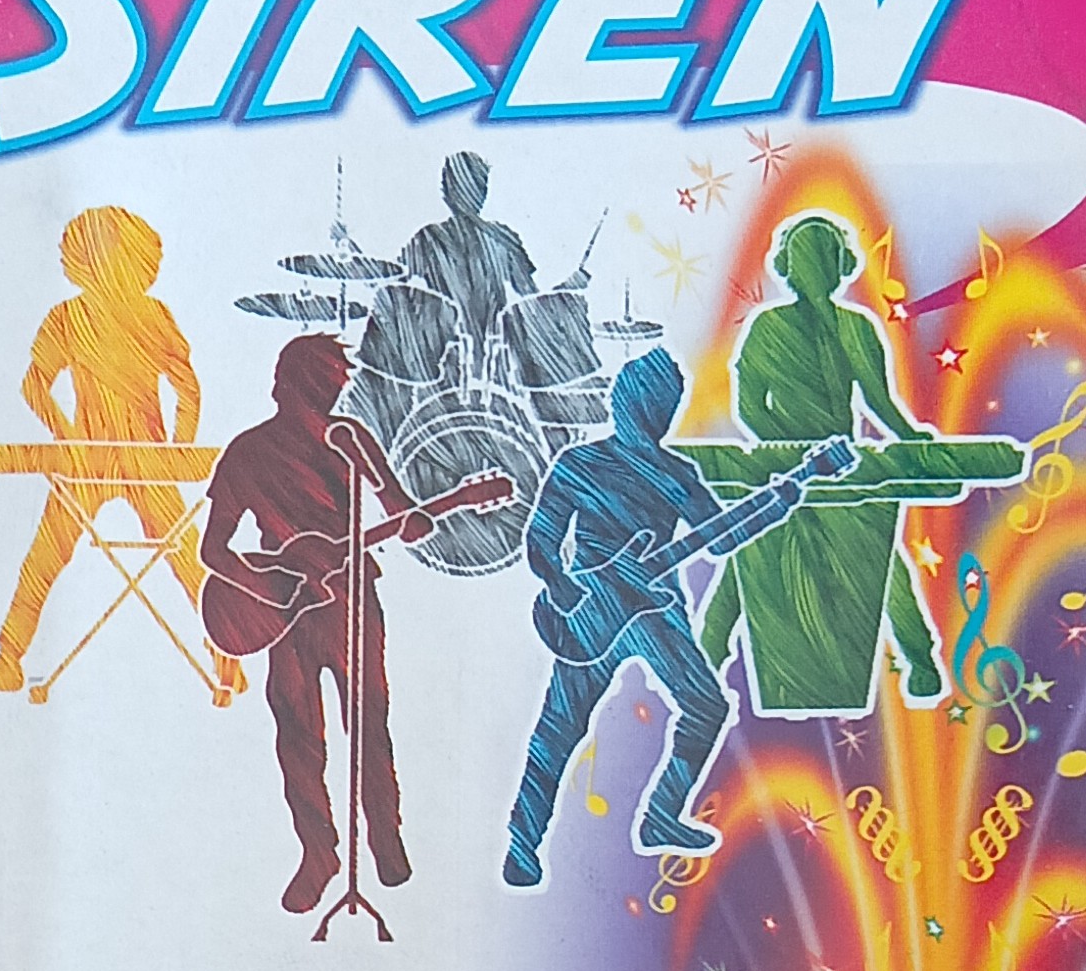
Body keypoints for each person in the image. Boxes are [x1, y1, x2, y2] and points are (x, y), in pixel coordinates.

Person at [200, 333, 430, 915]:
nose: (328, 400)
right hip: (289, 613)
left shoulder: (351, 440)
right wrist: (272, 588)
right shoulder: (248, 452)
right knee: (299, 734)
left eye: (334, 389)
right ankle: (318, 855)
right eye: (321, 387)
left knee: (369, 722)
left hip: (353, 600)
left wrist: (412, 517)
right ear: (287, 385)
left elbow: (398, 509)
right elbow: (213, 550)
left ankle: (385, 841)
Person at [504, 348, 733, 886]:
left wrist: (777, 501)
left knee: (706, 706)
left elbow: (718, 538)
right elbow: (540, 541)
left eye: (664, 407)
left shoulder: (678, 473)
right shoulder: (580, 464)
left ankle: (660, 817)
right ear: (622, 403)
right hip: (593, 609)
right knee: (559, 727)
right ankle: (522, 844)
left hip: (656, 609)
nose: (655, 416)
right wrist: (565, 591)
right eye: (648, 404)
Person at [701, 213, 945, 712]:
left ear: (841, 267)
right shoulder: (768, 327)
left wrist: (911, 440)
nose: (819, 272)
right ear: (789, 268)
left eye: (826, 261)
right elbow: (751, 407)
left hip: (844, 468)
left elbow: (878, 400)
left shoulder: (857, 327)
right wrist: (793, 455)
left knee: (881, 560)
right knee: (747, 559)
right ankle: (706, 660)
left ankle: (920, 661)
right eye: (809, 261)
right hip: (781, 469)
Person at [0, 207, 214, 692]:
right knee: (48, 555)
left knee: (185, 556)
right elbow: (34, 385)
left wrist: (177, 452)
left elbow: (187, 388)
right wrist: (69, 437)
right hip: (95, 462)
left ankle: (224, 650)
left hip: (140, 462)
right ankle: (8, 654)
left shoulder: (151, 316)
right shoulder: (68, 318)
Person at [401, 150, 536, 363]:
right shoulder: (428, 238)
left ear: (446, 191)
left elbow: (392, 283)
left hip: (455, 351)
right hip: (474, 351)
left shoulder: (427, 238)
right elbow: (531, 298)